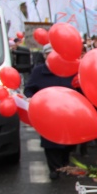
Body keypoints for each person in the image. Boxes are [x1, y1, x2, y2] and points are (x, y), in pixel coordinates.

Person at [23, 43, 76, 180]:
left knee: (68, 142)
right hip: (48, 113)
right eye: (49, 54)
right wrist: (30, 98)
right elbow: (29, 88)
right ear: (45, 55)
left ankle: (65, 163)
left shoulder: (70, 69)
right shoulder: (39, 71)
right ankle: (55, 168)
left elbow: (78, 87)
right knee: (50, 142)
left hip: (68, 112)